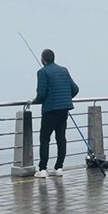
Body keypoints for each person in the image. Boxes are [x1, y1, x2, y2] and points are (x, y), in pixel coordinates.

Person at [32, 49, 79, 178]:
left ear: (43, 59)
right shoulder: (64, 70)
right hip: (64, 109)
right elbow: (75, 89)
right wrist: (65, 98)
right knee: (61, 138)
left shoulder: (42, 72)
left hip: (50, 110)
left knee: (45, 139)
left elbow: (41, 94)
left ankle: (42, 169)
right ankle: (59, 168)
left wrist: (34, 101)